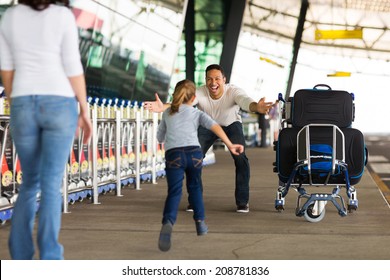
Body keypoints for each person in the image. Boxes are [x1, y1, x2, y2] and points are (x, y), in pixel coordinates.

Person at [0, 0, 92, 259]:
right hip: (59, 102)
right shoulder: (63, 16)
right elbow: (73, 66)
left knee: (29, 183)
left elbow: (6, 69)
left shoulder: (10, 16)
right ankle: (50, 256)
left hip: (23, 102)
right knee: (51, 184)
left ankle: (20, 257)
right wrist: (83, 109)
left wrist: (15, 100)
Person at [145, 64, 275, 213]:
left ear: (224, 80)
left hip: (231, 124)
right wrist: (163, 107)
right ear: (205, 80)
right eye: (209, 79)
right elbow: (182, 104)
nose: (213, 83)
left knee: (241, 159)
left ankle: (242, 201)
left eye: (217, 79)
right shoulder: (200, 92)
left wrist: (256, 107)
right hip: (207, 126)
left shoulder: (233, 91)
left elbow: (246, 101)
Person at [157, 79, 244, 252]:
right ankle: (200, 222)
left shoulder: (167, 114)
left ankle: (168, 222)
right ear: (193, 98)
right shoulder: (196, 113)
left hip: (174, 155)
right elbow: (216, 127)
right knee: (194, 187)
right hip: (194, 154)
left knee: (174, 192)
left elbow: (160, 137)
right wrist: (230, 144)